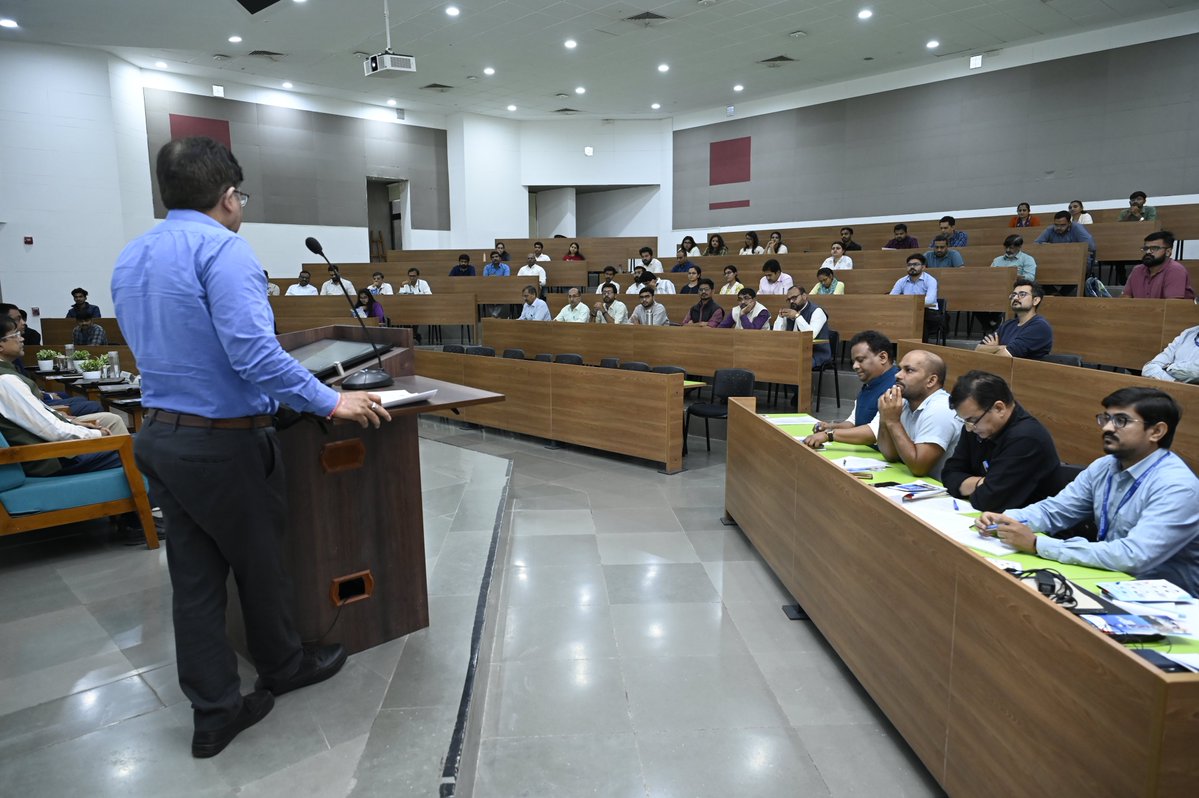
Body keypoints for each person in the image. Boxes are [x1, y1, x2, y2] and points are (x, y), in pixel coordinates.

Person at [111, 136, 389, 758]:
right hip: (222, 443)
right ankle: (283, 666)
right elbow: (254, 355)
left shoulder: (133, 254)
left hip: (160, 435)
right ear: (229, 196)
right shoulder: (224, 250)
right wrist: (330, 401)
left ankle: (214, 712)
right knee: (261, 564)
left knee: (194, 580)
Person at [975, 388, 1199, 597]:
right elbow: (1056, 510)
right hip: (1111, 581)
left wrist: (1037, 544)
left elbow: (1133, 555)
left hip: (1168, 602)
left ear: (1156, 431)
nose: (1107, 428)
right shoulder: (1104, 466)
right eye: (1106, 418)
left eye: (1121, 421)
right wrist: (1007, 520)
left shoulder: (1177, 487)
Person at [0, 316, 130, 476]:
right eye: (15, 335)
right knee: (138, 446)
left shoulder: (6, 375)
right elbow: (50, 429)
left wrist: (71, 421)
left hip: (48, 449)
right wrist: (97, 434)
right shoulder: (6, 381)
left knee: (111, 422)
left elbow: (39, 416)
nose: (22, 338)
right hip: (52, 458)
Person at [942, 370, 1060, 512]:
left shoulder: (1027, 438)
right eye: (965, 421)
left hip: (1028, 522)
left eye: (972, 420)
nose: (969, 428)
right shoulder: (976, 426)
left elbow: (987, 500)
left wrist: (972, 485)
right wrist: (981, 483)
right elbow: (949, 475)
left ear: (999, 408)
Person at [802, 330, 898, 448]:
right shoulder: (870, 383)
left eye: (860, 360)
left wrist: (829, 435)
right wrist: (830, 427)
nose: (855, 366)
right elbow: (853, 422)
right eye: (853, 361)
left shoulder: (896, 387)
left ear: (883, 357)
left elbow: (874, 432)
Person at [875, 350, 962, 480]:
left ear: (931, 381)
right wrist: (885, 417)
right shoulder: (903, 403)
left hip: (945, 489)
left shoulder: (941, 408)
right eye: (899, 369)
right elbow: (890, 455)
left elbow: (919, 468)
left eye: (908, 370)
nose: (897, 375)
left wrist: (893, 421)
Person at [976, 279, 1053, 360]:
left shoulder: (1039, 327)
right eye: (1013, 295)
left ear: (1035, 301)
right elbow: (978, 349)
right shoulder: (1008, 324)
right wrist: (1000, 347)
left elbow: (1003, 357)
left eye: (1022, 294)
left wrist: (992, 348)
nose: (1015, 298)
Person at [1122, 231, 1195, 300]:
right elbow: (1125, 299)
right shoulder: (1137, 270)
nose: (1148, 252)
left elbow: (1172, 305)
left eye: (1154, 248)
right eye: (1146, 248)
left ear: (1168, 252)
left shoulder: (1175, 270)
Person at [772, 285, 831, 367]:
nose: (791, 301)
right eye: (789, 299)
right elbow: (776, 335)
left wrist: (797, 316)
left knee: (792, 364)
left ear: (804, 296)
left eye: (794, 298)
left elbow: (810, 335)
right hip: (794, 351)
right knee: (773, 359)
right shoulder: (790, 311)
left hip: (815, 353)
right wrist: (780, 318)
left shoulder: (817, 311)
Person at [891, 254, 941, 342]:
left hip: (928, 311)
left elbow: (929, 301)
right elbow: (891, 298)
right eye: (909, 265)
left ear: (923, 267)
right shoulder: (901, 281)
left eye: (916, 264)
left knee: (921, 318)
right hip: (908, 311)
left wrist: (907, 304)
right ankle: (897, 345)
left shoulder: (930, 280)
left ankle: (920, 346)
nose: (912, 267)